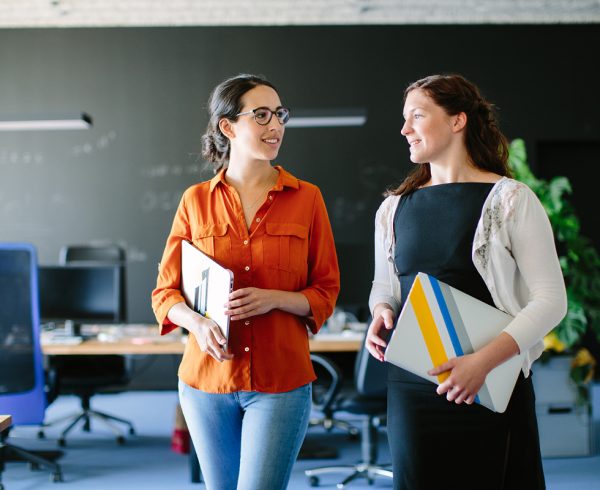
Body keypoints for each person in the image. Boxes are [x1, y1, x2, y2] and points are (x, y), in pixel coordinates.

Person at [365, 73, 567, 490]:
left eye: (417, 116)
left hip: (490, 383)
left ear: (457, 121)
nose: (405, 129)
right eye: (404, 119)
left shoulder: (510, 200)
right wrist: (381, 311)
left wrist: (482, 363)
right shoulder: (393, 209)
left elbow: (551, 301)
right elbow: (384, 286)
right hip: (413, 388)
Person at [152, 73, 339, 490]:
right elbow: (165, 294)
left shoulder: (308, 198)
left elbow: (325, 290)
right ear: (228, 126)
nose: (276, 126)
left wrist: (275, 298)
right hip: (205, 383)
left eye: (280, 115)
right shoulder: (195, 201)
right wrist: (197, 323)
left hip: (280, 383)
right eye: (262, 115)